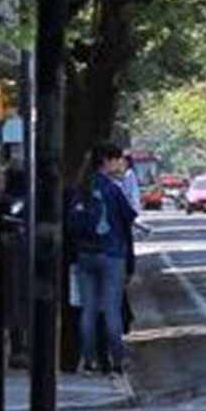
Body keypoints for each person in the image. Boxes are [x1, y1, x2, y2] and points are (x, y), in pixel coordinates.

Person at [66, 143, 137, 374]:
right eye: (116, 159)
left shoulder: (80, 187)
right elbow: (129, 217)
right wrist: (129, 261)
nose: (119, 164)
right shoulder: (112, 189)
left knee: (88, 308)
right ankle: (116, 358)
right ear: (106, 161)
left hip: (85, 254)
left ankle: (89, 359)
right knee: (111, 308)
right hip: (111, 253)